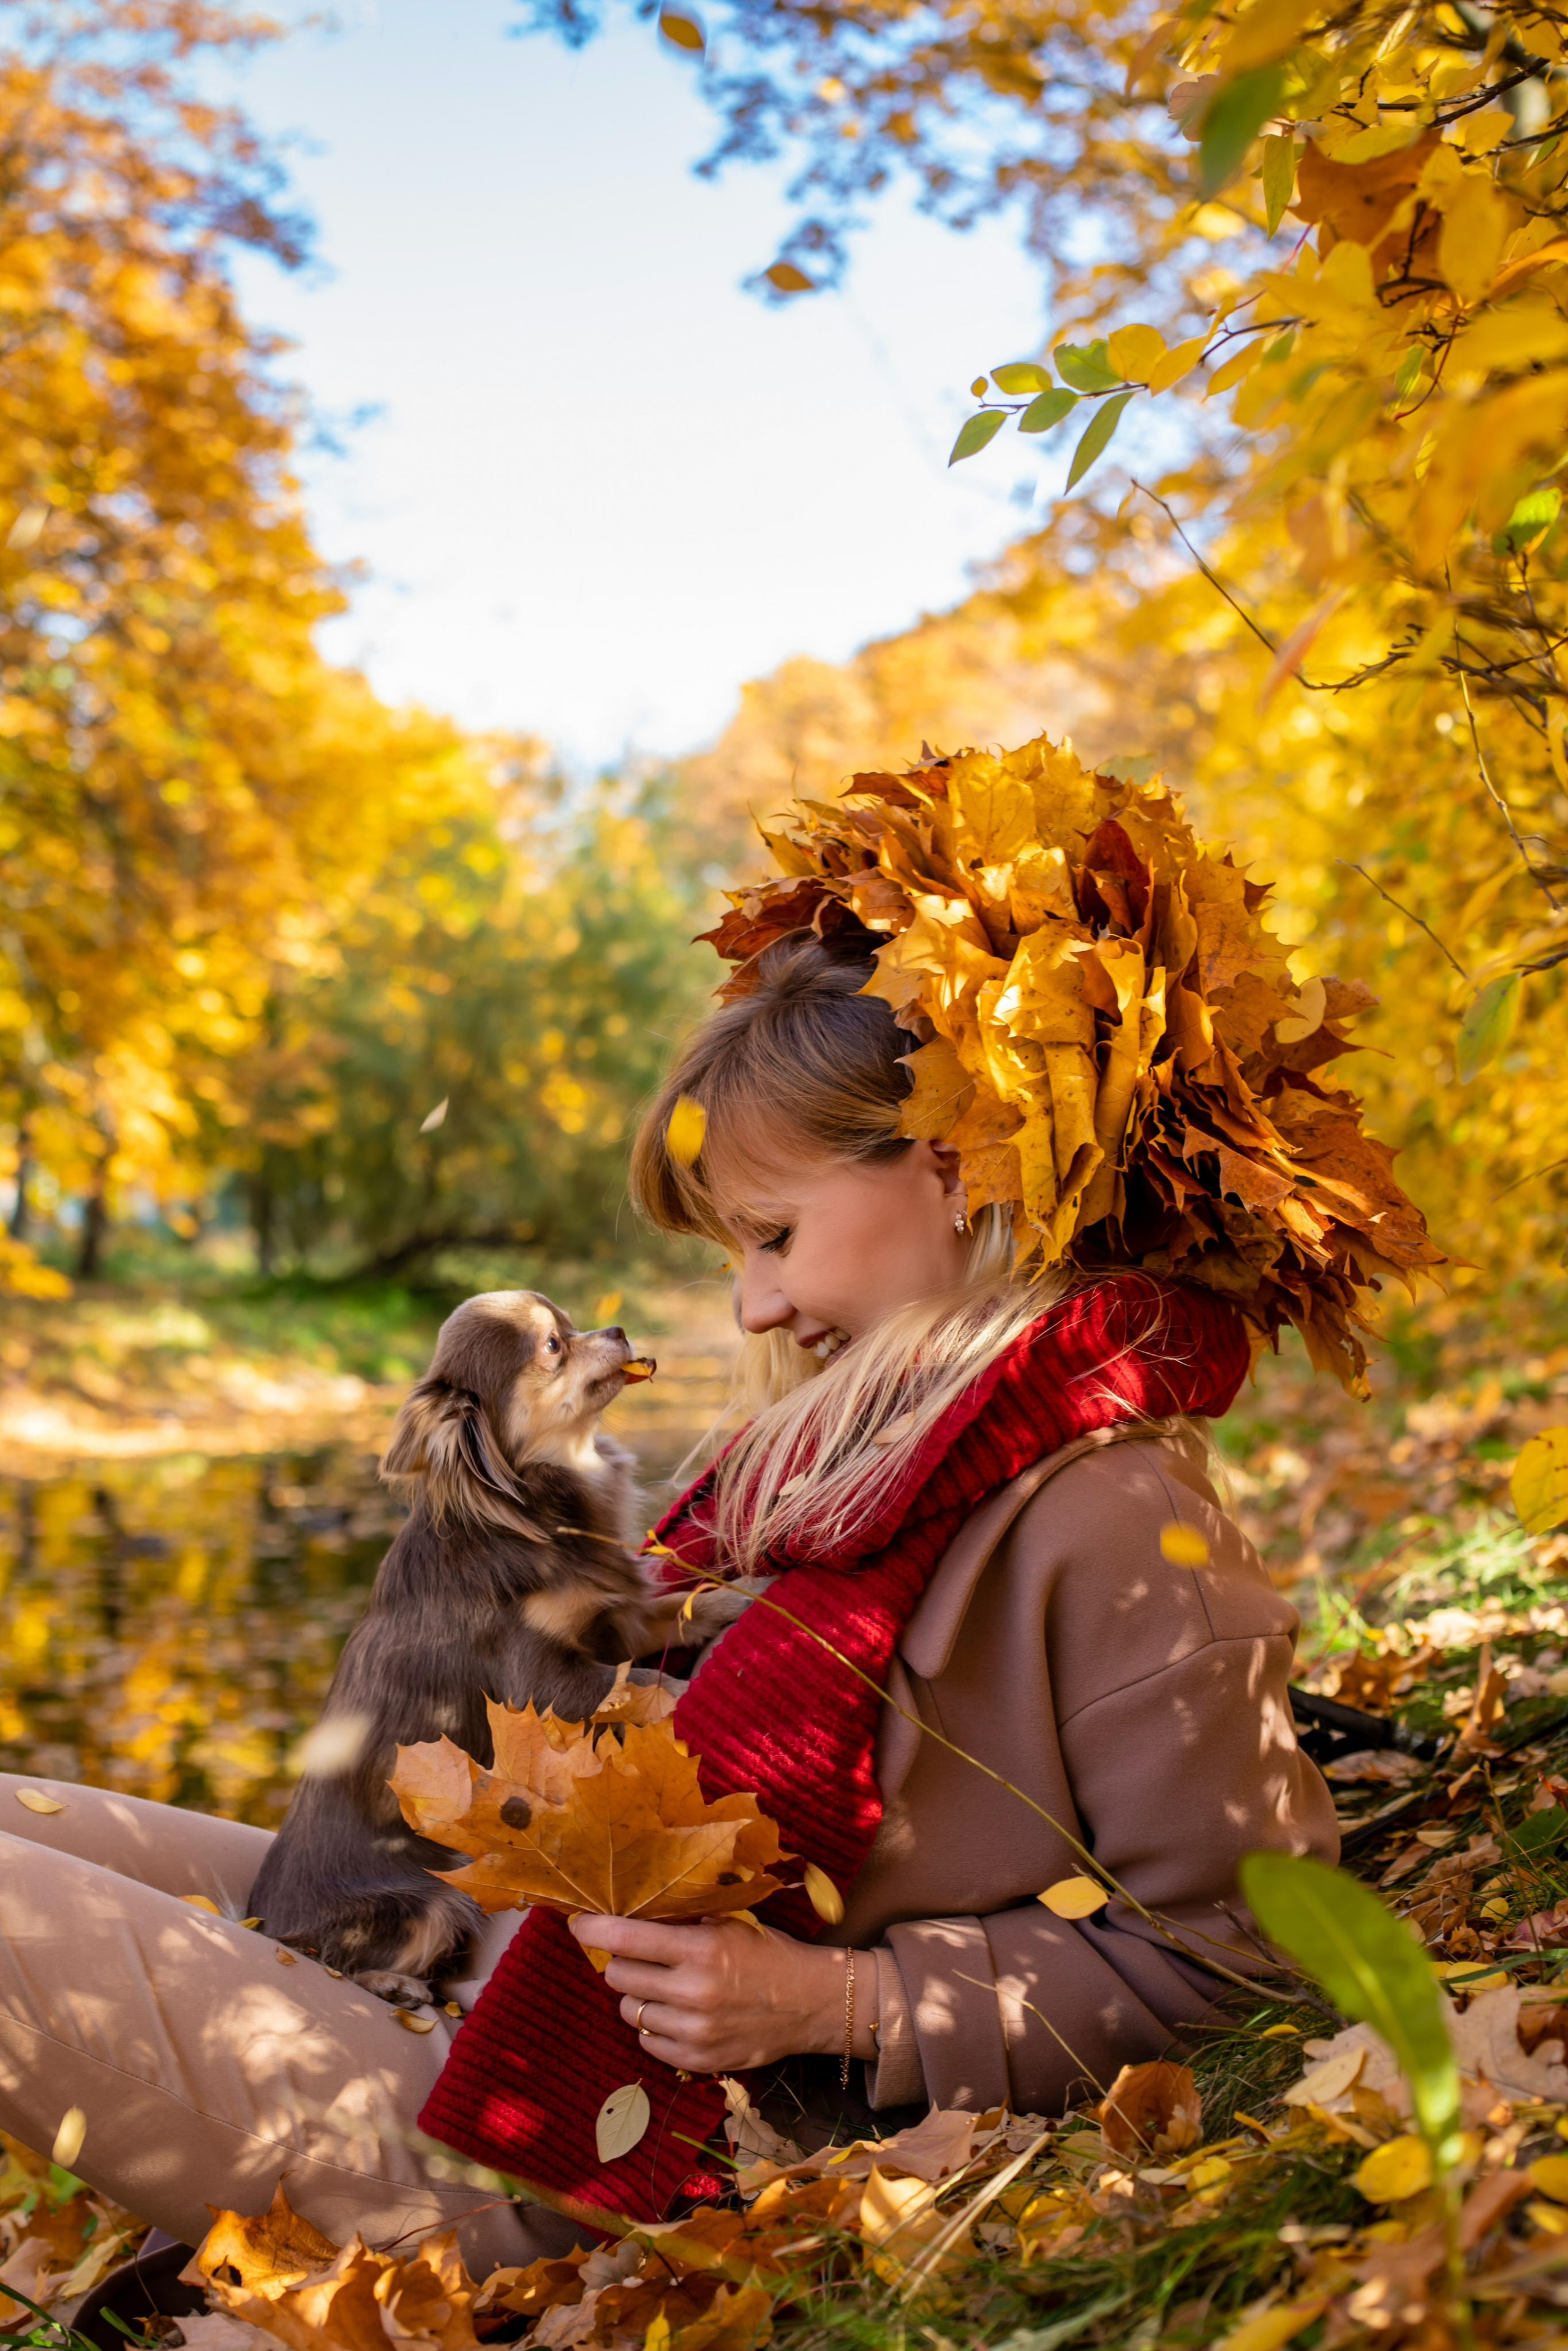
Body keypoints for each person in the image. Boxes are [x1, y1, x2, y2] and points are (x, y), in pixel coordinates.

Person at [0, 935, 1336, 2270]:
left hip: (549, 2123)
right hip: (484, 1942)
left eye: (774, 1235)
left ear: (952, 1166)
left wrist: (841, 2001)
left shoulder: (1116, 1517)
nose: (753, 1305)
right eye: (733, 1251)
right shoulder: (848, 1471)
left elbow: (1242, 1958)